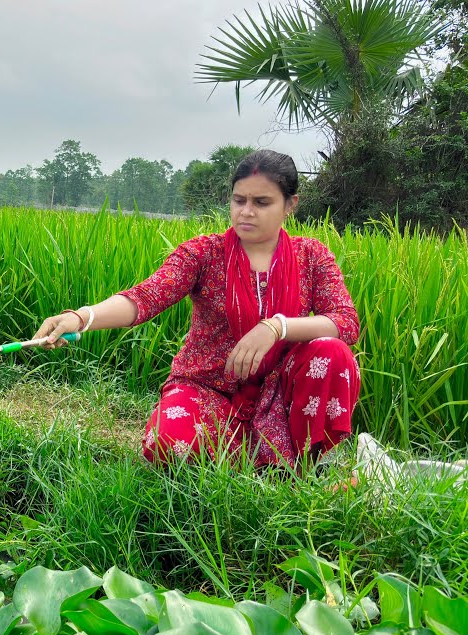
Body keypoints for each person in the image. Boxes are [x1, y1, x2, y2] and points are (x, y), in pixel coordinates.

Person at [32, 150, 360, 468]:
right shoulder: (204, 253)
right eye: (239, 200)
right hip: (208, 389)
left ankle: (306, 461)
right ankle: (256, 459)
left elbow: (345, 322)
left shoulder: (311, 256)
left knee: (331, 353)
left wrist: (277, 327)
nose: (246, 211)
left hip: (282, 394)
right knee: (164, 445)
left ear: (290, 205)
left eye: (262, 203)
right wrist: (81, 317)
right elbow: (146, 297)